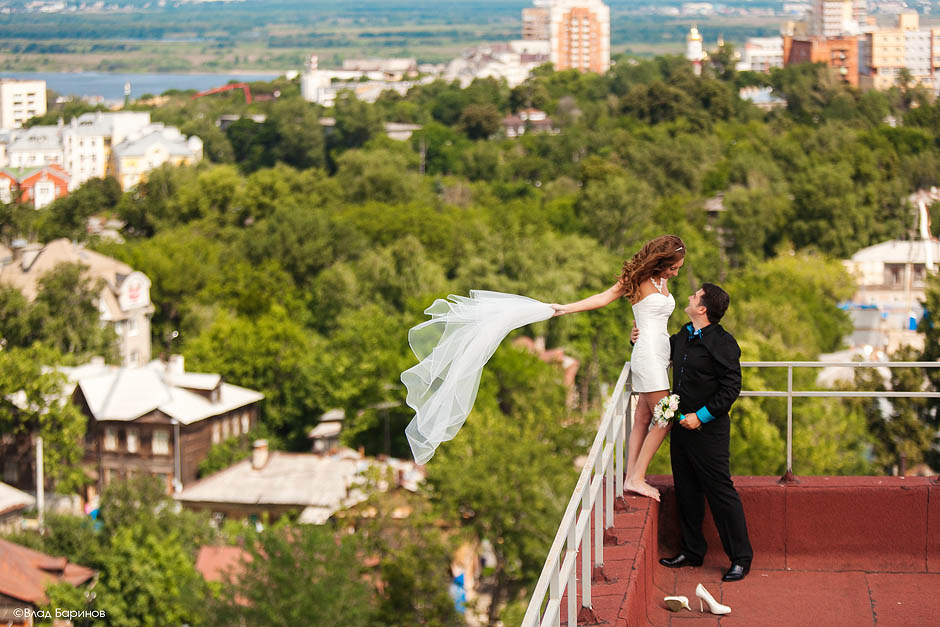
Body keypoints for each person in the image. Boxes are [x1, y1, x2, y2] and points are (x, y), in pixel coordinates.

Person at [551, 234, 685, 501]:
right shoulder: (636, 279)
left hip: (660, 354)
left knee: (644, 418)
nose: (676, 273)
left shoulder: (661, 281)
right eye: (673, 268)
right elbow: (602, 299)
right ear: (661, 262)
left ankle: (629, 478)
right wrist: (564, 309)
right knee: (666, 417)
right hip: (646, 355)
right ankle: (637, 477)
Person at [656, 283, 753, 582]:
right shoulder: (684, 334)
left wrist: (702, 417)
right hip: (681, 427)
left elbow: (731, 388)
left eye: (695, 295)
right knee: (686, 490)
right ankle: (693, 551)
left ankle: (740, 558)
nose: (689, 296)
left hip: (709, 431)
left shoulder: (724, 343)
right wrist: (638, 341)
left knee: (721, 493)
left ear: (703, 308)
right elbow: (662, 350)